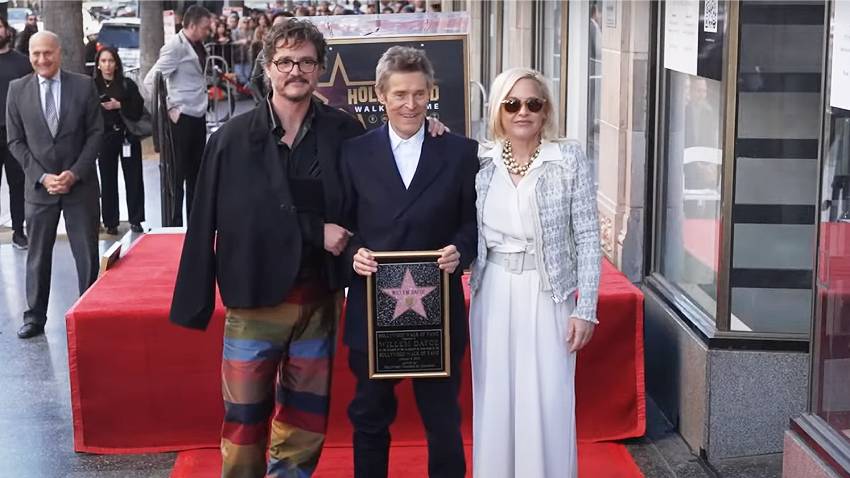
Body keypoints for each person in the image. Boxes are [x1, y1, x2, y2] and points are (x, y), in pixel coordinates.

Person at [168, 19, 365, 478]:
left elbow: (377, 189)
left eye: (306, 62)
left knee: (306, 418)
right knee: (244, 419)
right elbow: (222, 219)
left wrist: (426, 128)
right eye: (285, 62)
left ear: (320, 69)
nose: (296, 70)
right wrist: (315, 231)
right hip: (254, 297)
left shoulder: (345, 133)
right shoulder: (232, 140)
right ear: (268, 68)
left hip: (319, 300)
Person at [344, 46, 478, 478]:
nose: (411, 104)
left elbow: (473, 225)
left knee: (442, 420)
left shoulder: (460, 152)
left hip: (437, 314)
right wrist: (354, 254)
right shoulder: (353, 153)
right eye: (400, 94)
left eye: (420, 94)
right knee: (370, 416)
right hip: (372, 311)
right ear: (381, 94)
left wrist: (461, 251)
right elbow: (342, 227)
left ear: (431, 93)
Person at [467, 67, 601, 477]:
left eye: (532, 103)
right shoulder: (479, 160)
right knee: (497, 395)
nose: (522, 111)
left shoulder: (567, 158)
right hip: (492, 294)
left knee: (548, 397)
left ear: (546, 111)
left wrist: (587, 308)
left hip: (549, 294)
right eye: (512, 104)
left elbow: (589, 236)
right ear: (498, 111)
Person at [5, 31, 104, 339]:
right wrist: (42, 176)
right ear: (29, 54)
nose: (41, 60)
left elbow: (96, 134)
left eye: (47, 53)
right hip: (39, 190)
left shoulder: (84, 86)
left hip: (80, 187)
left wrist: (74, 173)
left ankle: (89, 312)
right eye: (36, 54)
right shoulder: (17, 90)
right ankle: (34, 316)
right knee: (36, 255)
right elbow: (15, 141)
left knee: (86, 254)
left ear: (59, 53)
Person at [143, 4, 211, 226]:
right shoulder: (175, 47)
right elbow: (151, 80)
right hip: (181, 120)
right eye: (204, 27)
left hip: (198, 115)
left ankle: (195, 224)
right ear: (191, 25)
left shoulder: (199, 45)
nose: (207, 31)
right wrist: (171, 107)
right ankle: (173, 225)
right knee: (177, 176)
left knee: (196, 176)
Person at [93, 47, 146, 235]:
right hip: (104, 137)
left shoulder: (126, 84)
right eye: (104, 61)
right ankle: (110, 221)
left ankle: (136, 218)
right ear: (98, 64)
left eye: (111, 61)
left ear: (116, 63)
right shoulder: (93, 85)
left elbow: (138, 109)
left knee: (133, 177)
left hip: (127, 136)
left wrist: (119, 105)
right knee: (107, 180)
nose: (107, 65)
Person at [0, 16, 32, 250]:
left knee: (18, 184)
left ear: (7, 30)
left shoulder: (22, 63)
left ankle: (19, 231)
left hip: (16, 134)